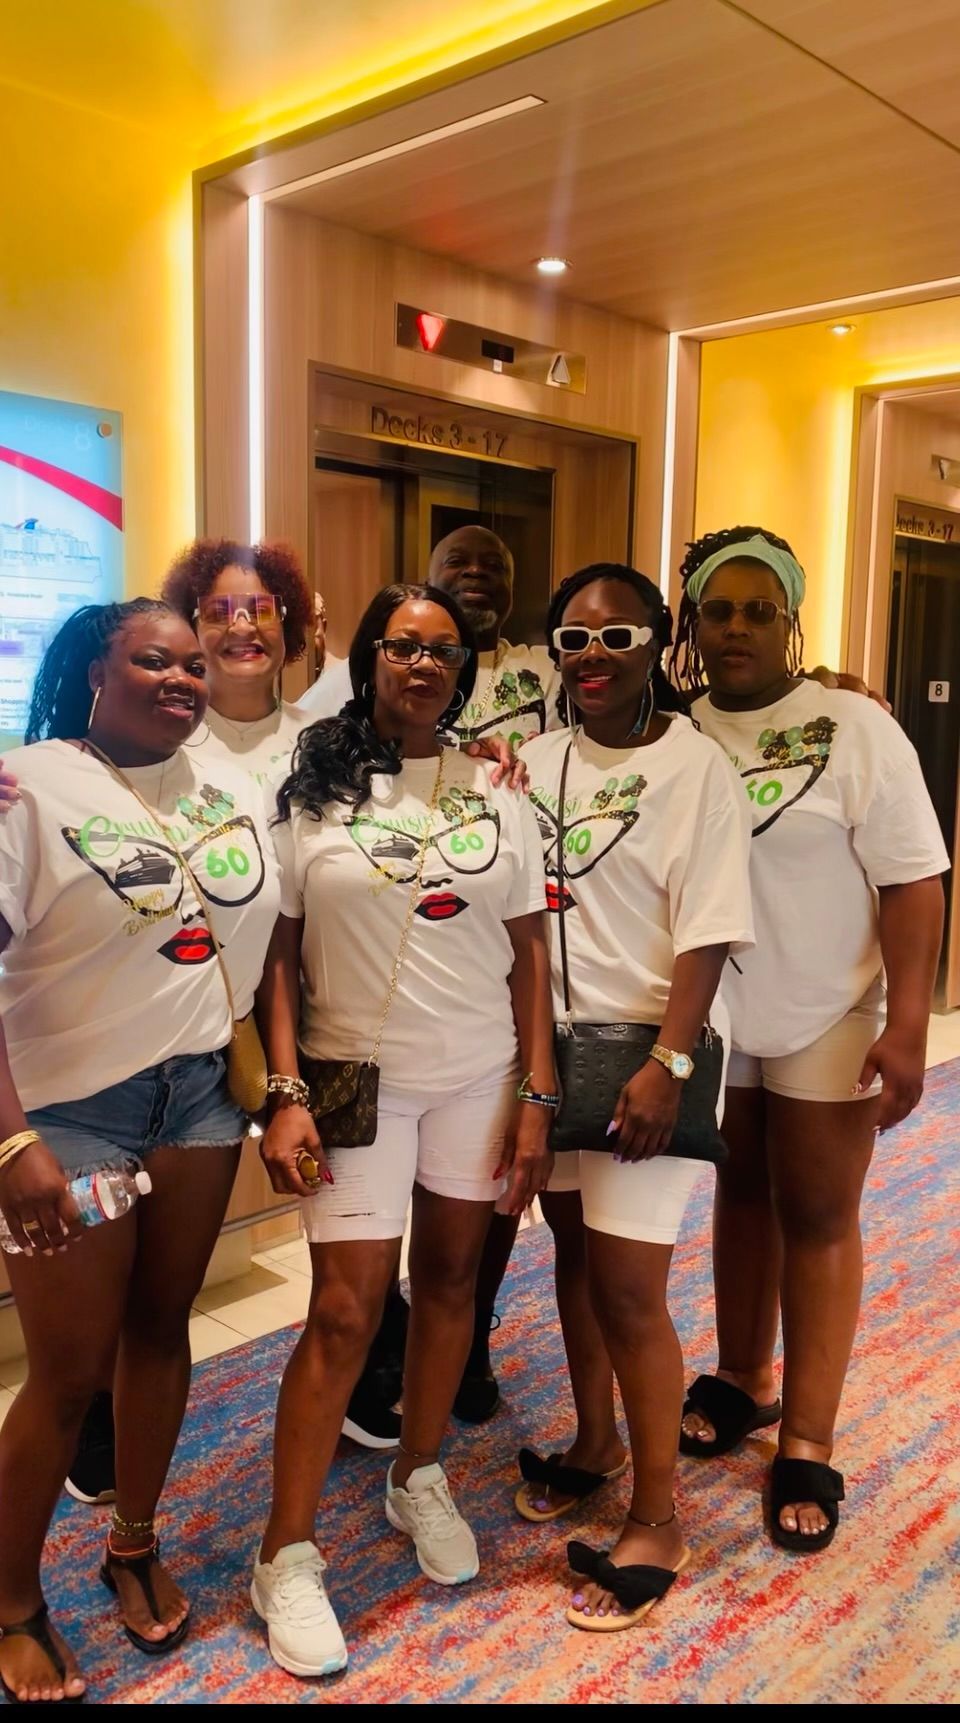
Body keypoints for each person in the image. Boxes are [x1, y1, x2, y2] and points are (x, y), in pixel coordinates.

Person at [250, 582, 555, 1675]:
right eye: (402, 645)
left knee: (455, 1283)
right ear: (370, 657)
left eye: (444, 651)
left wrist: (537, 1092)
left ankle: (417, 1470)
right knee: (344, 1310)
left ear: (464, 672)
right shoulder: (313, 785)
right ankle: (285, 1554)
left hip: (478, 1073)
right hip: (351, 1076)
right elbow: (279, 952)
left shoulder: (496, 786)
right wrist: (283, 1086)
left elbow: (531, 950)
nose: (423, 664)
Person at [0, 600, 279, 1703]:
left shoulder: (227, 784)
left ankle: (134, 1542)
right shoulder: (31, 788)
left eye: (193, 665)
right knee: (69, 1371)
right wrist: (11, 1139)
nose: (180, 678)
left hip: (198, 1096)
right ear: (94, 671)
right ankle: (11, 1597)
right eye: (151, 660)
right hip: (71, 1114)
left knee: (163, 1330)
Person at [670, 525, 947, 1551]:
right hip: (719, 1014)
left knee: (820, 1212)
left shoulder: (853, 725)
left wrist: (908, 1023)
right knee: (742, 1190)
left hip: (830, 1008)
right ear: (692, 625)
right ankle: (746, 1376)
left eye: (760, 609)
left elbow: (913, 879)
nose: (736, 627)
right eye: (717, 610)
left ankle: (811, 1438)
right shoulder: (674, 730)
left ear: (792, 621)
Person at [515, 563, 753, 1631]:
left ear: (658, 641)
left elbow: (710, 927)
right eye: (573, 638)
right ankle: (596, 1439)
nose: (594, 657)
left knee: (628, 1289)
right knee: (573, 1258)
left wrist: (673, 1061)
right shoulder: (535, 761)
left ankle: (658, 1513)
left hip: (648, 1054)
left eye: (617, 637)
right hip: (552, 1057)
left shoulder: (696, 768)